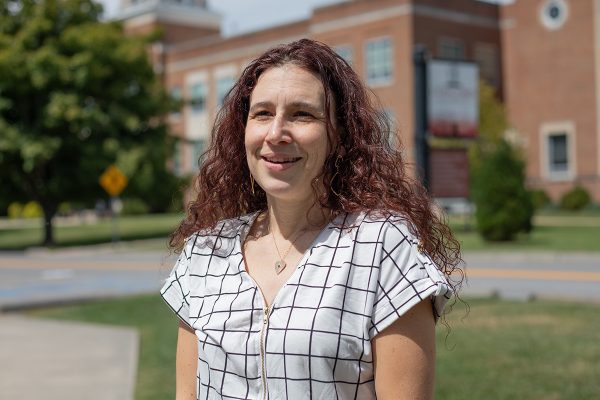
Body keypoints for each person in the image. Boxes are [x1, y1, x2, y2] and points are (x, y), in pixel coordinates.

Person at [161, 38, 462, 400]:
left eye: (302, 114)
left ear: (338, 135)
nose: (276, 133)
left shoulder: (382, 249)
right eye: (262, 114)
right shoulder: (206, 251)